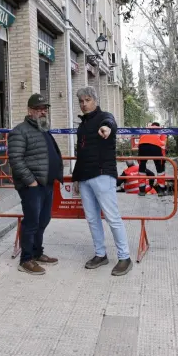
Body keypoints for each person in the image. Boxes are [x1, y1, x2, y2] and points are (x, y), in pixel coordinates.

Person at [73, 86, 132, 276]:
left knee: (112, 217)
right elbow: (80, 153)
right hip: (85, 177)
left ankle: (125, 257)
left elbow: (110, 123)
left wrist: (107, 127)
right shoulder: (82, 125)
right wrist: (76, 177)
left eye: (87, 100)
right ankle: (100, 254)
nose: (84, 104)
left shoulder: (105, 117)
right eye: (81, 101)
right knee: (92, 219)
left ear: (95, 100)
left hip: (102, 174)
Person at [7, 93, 62, 275]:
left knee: (43, 220)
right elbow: (15, 159)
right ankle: (26, 259)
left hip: (46, 184)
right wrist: (30, 181)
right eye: (38, 109)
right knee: (31, 222)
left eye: (44, 108)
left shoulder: (43, 129)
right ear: (30, 110)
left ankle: (38, 253)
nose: (42, 112)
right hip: (32, 187)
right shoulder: (20, 131)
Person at [137, 122, 167, 196]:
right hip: (155, 146)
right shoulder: (161, 130)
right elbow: (163, 145)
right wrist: (162, 160)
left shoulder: (146, 129)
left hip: (142, 146)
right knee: (160, 169)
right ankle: (161, 190)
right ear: (159, 126)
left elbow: (140, 141)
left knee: (142, 168)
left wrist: (140, 161)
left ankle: (142, 190)